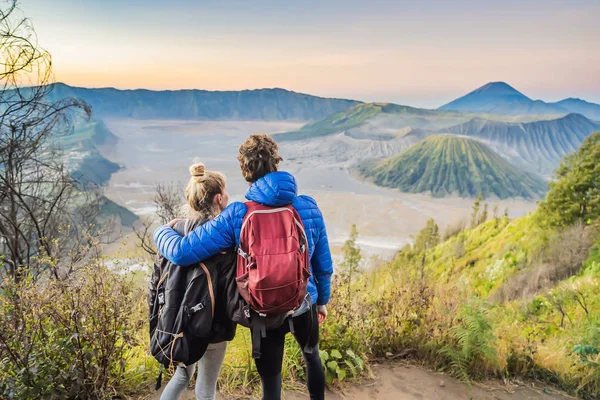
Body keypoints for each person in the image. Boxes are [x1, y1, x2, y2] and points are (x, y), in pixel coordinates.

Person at [154, 134, 333, 400]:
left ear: (245, 170)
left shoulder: (238, 213)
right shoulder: (308, 206)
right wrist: (322, 301)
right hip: (304, 302)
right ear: (276, 163)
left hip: (264, 311)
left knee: (271, 380)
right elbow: (322, 263)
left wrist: (161, 232)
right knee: (312, 356)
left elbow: (182, 252)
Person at [159, 162, 235, 400]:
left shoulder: (177, 230)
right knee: (206, 387)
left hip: (182, 321)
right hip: (214, 324)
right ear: (219, 198)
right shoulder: (225, 236)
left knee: (182, 376)